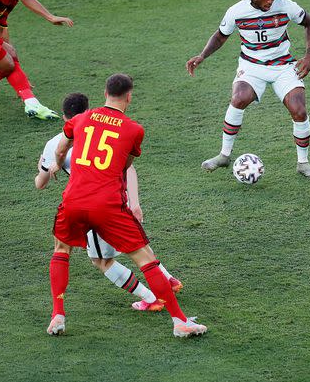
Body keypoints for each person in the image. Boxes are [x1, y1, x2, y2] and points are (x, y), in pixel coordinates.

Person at [46, 74, 207, 338]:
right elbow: (127, 164)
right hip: (108, 205)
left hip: (73, 200)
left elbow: (63, 149)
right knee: (146, 259)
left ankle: (57, 316)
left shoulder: (80, 119)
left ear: (104, 92)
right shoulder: (134, 129)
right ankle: (179, 321)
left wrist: (60, 161)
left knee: (61, 251)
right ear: (129, 96)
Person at [35, 92, 183, 313]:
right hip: (119, 198)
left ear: (66, 118)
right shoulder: (106, 129)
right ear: (87, 110)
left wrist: (43, 168)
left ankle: (151, 298)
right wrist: (134, 203)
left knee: (101, 260)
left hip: (93, 204)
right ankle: (168, 279)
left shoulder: (55, 143)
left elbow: (41, 183)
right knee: (139, 247)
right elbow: (129, 167)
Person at [186, 0, 310, 178]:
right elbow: (221, 36)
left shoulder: (285, 6)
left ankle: (303, 163)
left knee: (299, 110)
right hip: (252, 66)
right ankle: (223, 155)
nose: (270, 1)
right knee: (239, 98)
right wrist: (202, 56)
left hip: (282, 65)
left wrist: (309, 57)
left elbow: (309, 23)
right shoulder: (236, 12)